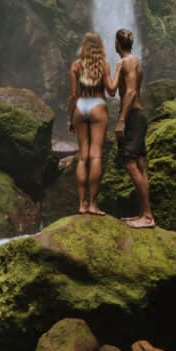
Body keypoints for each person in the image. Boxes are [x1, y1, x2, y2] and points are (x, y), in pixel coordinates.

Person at [67, 31, 116, 215]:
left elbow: (73, 96)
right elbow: (111, 91)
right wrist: (118, 74)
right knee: (95, 156)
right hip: (97, 105)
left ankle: (82, 204)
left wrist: (69, 118)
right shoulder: (104, 65)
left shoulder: (76, 66)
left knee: (83, 157)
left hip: (81, 106)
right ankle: (93, 205)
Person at [113, 27, 155, 228]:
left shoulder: (127, 62)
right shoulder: (134, 62)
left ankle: (147, 216)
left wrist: (121, 119)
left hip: (133, 116)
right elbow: (118, 91)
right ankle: (143, 213)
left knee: (129, 162)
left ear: (117, 43)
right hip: (138, 116)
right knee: (139, 164)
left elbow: (129, 93)